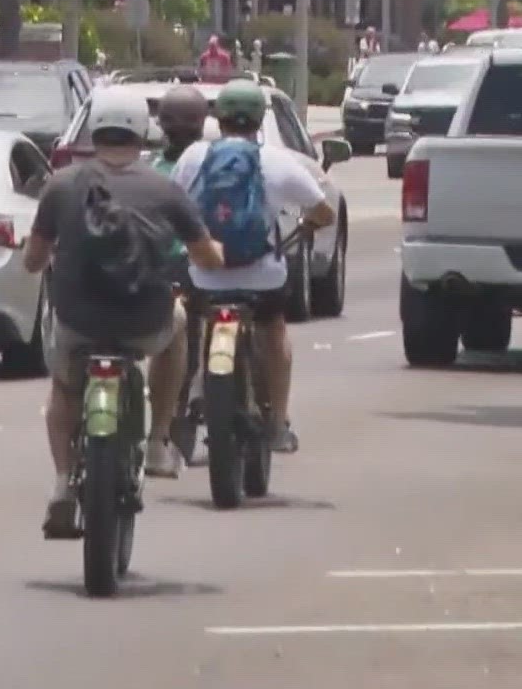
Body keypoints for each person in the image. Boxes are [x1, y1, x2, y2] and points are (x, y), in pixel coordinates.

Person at [23, 87, 226, 538]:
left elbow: (33, 260)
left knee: (63, 388)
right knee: (177, 328)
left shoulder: (60, 185)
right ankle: (157, 442)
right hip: (143, 321)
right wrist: (217, 253)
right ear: (143, 132)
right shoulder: (164, 188)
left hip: (78, 322)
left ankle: (61, 484)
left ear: (95, 130)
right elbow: (207, 257)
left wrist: (44, 253)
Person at [170, 79, 336, 454]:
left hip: (204, 273)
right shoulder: (278, 161)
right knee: (274, 330)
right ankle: (277, 421)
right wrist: (307, 224)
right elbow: (323, 211)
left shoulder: (194, 157)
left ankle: (188, 399)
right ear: (260, 120)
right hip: (261, 278)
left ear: (218, 118)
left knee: (191, 323)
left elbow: (172, 204)